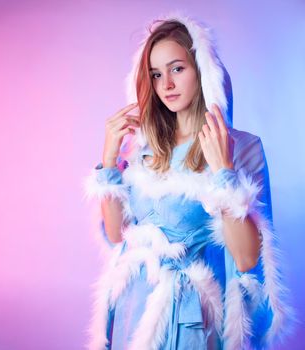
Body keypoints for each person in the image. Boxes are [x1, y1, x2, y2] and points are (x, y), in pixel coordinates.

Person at [85, 14, 292, 350]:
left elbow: (246, 259)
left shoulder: (241, 146)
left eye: (177, 68)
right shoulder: (142, 148)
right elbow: (116, 235)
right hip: (134, 311)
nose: (166, 83)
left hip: (192, 319)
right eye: (156, 74)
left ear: (202, 70)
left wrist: (223, 171)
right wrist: (108, 159)